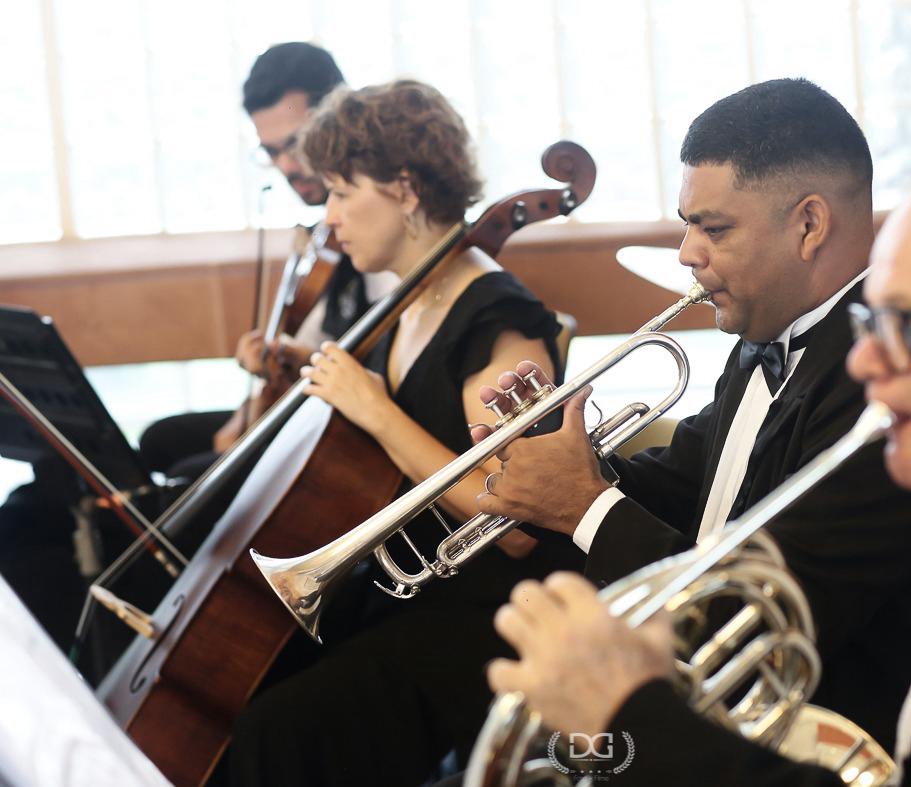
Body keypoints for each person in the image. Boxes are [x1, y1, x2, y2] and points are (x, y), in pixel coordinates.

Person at [485, 157, 911, 786]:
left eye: (906, 329)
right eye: (869, 325)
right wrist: (565, 471)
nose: (863, 361)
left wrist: (630, 714)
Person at [473, 77, 911, 749]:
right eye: (687, 224)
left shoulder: (888, 387)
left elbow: (760, 620)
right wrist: (564, 461)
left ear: (809, 225)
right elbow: (689, 487)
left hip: (794, 741)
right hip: (702, 713)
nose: (686, 252)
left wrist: (583, 505)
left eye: (713, 228)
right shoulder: (762, 337)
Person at [227, 78, 581, 787]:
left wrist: (374, 408)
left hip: (482, 614)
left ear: (405, 189)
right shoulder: (412, 298)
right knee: (252, 685)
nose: (329, 217)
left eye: (341, 192)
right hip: (404, 587)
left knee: (277, 732)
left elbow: (518, 524)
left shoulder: (500, 320)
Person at [138, 42, 394, 481]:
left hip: (347, 433)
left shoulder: (379, 232)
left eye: (295, 143)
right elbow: (306, 347)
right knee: (159, 440)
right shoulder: (324, 240)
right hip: (306, 406)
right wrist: (258, 390)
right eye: (272, 152)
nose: (287, 166)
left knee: (186, 475)